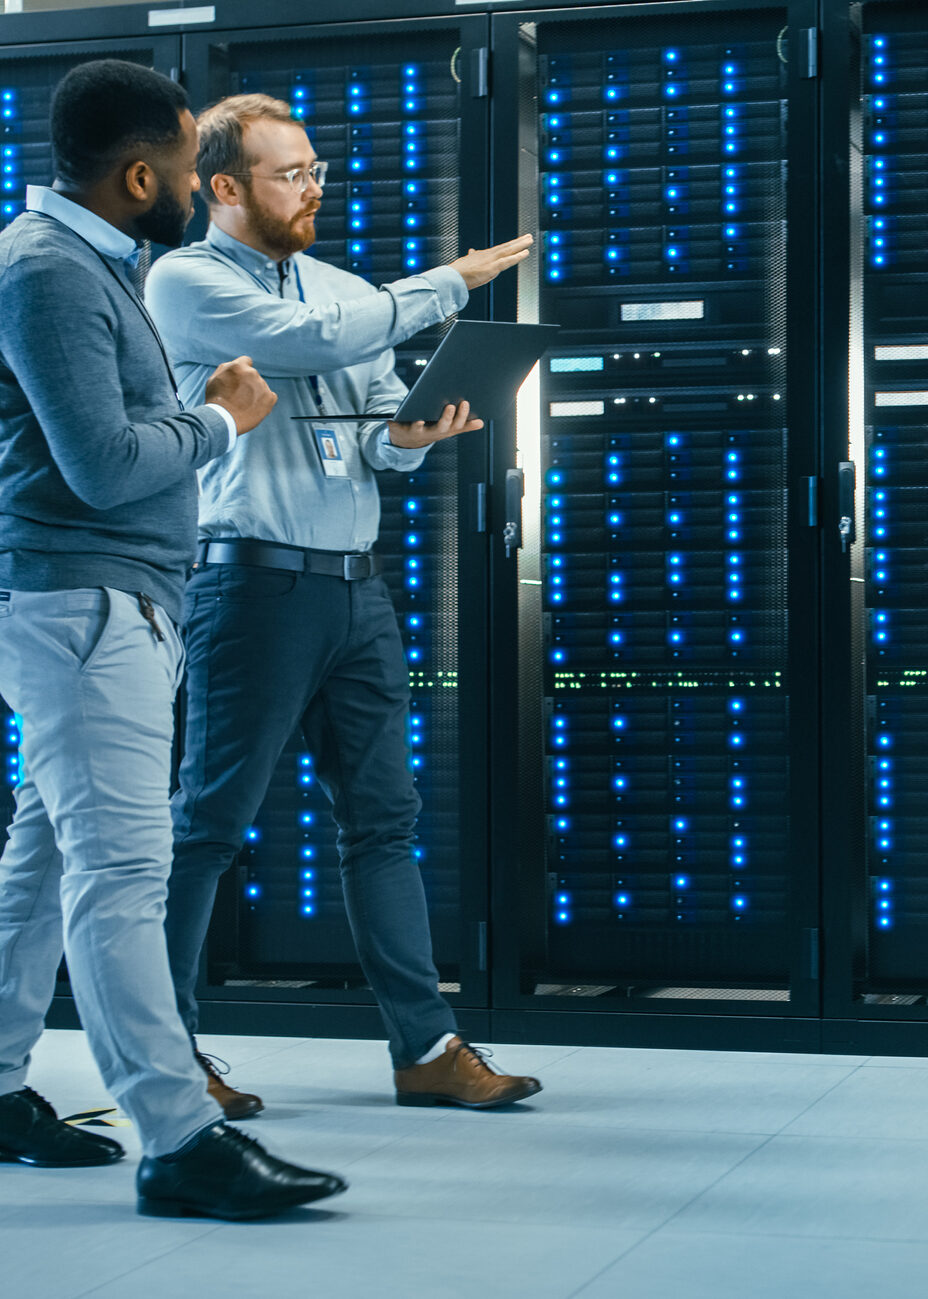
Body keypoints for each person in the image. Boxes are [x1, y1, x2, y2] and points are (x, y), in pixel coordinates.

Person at [145, 93, 539, 1115]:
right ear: (225, 188)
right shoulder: (186, 281)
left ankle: (427, 1050)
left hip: (355, 591)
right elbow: (318, 344)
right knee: (209, 825)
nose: (312, 187)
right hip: (249, 585)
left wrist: (404, 440)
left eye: (317, 170)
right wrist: (448, 283)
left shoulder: (338, 286)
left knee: (383, 822)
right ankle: (170, 1053)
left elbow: (363, 414)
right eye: (291, 174)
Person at [0, 60, 344, 1219]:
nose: (201, 189)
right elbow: (104, 468)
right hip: (84, 603)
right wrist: (216, 418)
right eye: (193, 167)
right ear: (137, 172)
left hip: (98, 602)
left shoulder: (97, 265)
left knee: (45, 863)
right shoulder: (49, 273)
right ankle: (178, 1136)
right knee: (121, 876)